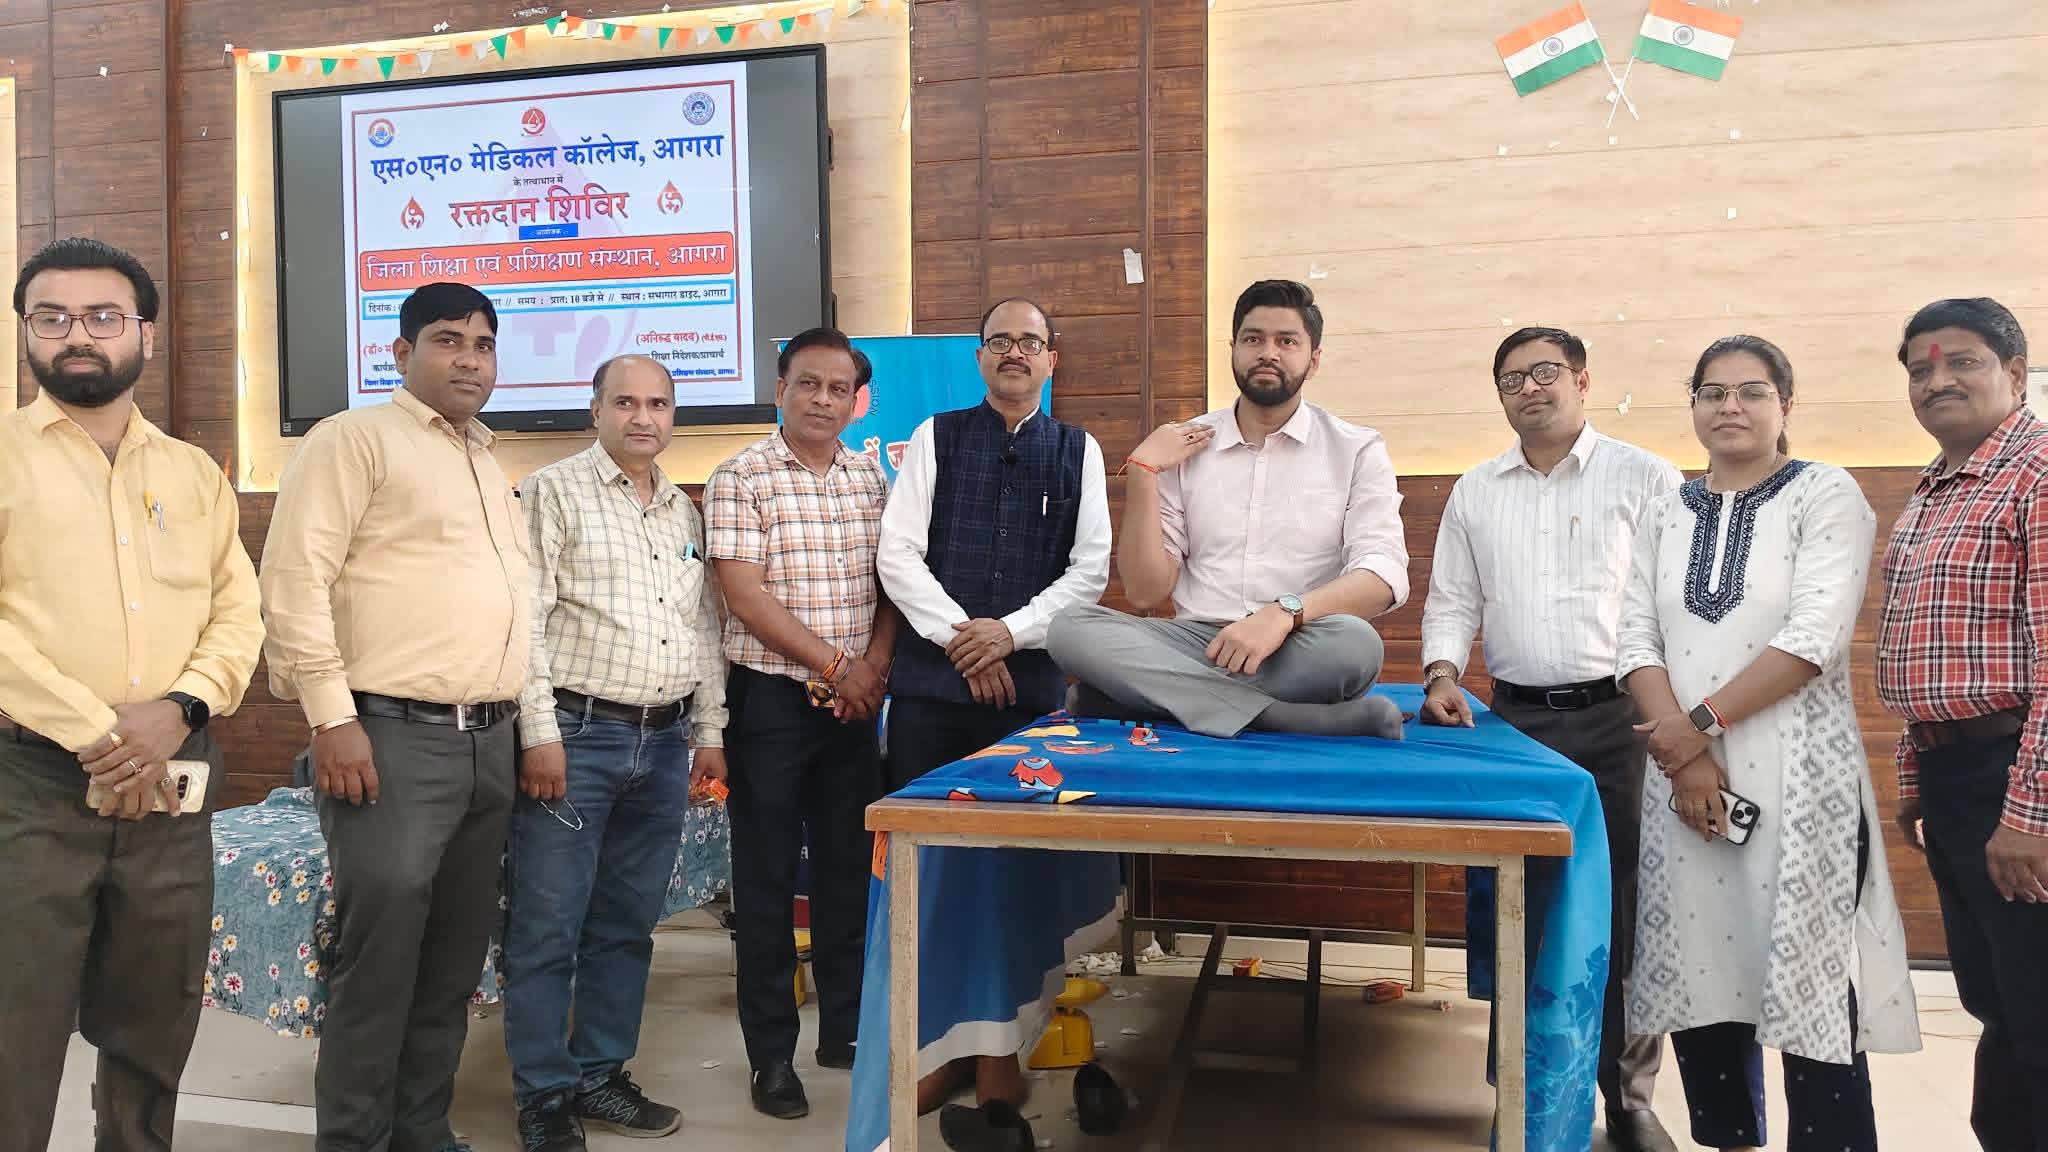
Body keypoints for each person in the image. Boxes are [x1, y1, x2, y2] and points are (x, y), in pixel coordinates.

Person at [1614, 336, 1918, 1152]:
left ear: (1786, 404)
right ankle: (1731, 1141)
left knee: (1809, 976)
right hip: (1684, 781)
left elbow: (1814, 636)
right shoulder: (1665, 507)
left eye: (1751, 391)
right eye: (1712, 392)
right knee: (1701, 967)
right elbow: (1634, 636)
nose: (1731, 406)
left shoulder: (1826, 493)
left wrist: (1694, 730)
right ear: (1693, 406)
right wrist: (1686, 757)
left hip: (1798, 776)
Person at [0, 237, 264, 1152]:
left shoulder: (190, 472)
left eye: (103, 317)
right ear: (26, 333)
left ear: (144, 334)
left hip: (173, 782)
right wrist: (102, 733)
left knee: (156, 1012)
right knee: (16, 1019)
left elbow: (237, 611)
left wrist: (181, 710)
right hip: (30, 781)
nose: (78, 335)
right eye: (53, 317)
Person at [261, 282, 529, 1152]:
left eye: (483, 344)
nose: (470, 360)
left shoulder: (487, 463)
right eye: (448, 340)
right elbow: (294, 581)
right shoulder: (353, 440)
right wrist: (332, 719)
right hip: (390, 737)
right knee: (379, 967)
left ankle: (422, 1133)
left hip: (489, 741)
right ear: (402, 352)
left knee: (451, 965)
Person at [1418, 326, 1679, 1152]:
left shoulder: (1647, 476)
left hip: (1624, 719)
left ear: (1583, 379)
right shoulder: (1476, 489)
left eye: (1545, 372)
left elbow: (1678, 600)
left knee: (1628, 907)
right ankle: (1523, 1090)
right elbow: (1452, 599)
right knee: (1519, 905)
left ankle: (1628, 1099)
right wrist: (1442, 674)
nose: (1529, 389)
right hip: (1517, 723)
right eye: (1511, 379)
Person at [875, 296, 1111, 1112]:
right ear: (979, 357)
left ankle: (999, 1056)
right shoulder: (935, 438)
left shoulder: (1079, 450)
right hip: (931, 697)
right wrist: (963, 641)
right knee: (930, 880)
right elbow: (897, 554)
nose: (1015, 352)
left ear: (1052, 359)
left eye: (1030, 341)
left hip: (1029, 701)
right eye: (1000, 340)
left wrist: (1007, 634)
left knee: (1015, 880)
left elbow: (1090, 572)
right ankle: (931, 1048)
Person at [502, 355, 730, 1151]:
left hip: (664, 744)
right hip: (577, 738)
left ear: (673, 416)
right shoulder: (552, 492)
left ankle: (600, 1075)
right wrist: (538, 734)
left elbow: (702, 625)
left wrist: (709, 732)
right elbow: (525, 622)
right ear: (594, 410)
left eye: (658, 404)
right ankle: (543, 1096)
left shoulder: (680, 510)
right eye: (625, 402)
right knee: (547, 928)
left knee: (628, 925)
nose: (643, 417)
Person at [1047, 279, 1406, 739]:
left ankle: (1153, 700)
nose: (1268, 353)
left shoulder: (1356, 449)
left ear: (1313, 360)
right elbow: (1144, 592)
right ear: (1232, 349)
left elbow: (1381, 576)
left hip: (1298, 640)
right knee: (1070, 628)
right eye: (1253, 339)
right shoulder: (1185, 444)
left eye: (1287, 341)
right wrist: (1142, 471)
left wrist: (1282, 614)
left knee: (1356, 646)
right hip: (1196, 643)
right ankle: (1280, 717)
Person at [705, 326, 898, 1120]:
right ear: (779, 388)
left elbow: (891, 584)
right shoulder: (741, 476)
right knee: (766, 883)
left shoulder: (870, 477)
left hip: (855, 706)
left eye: (838, 388)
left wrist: (871, 670)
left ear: (855, 400)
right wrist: (837, 667)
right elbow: (744, 596)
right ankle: (772, 1057)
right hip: (773, 706)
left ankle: (846, 1031)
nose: (823, 400)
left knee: (851, 874)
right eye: (808, 384)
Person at [1876, 298, 2048, 1151]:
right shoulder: (1938, 485)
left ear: (2015, 373)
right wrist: (1920, 779)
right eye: (1920, 369)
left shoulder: (2038, 476)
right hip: (1957, 782)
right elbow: (1930, 648)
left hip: (2018, 777)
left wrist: (2030, 815)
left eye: (1962, 362)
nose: (1937, 380)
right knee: (1999, 1005)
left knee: (2039, 1014)